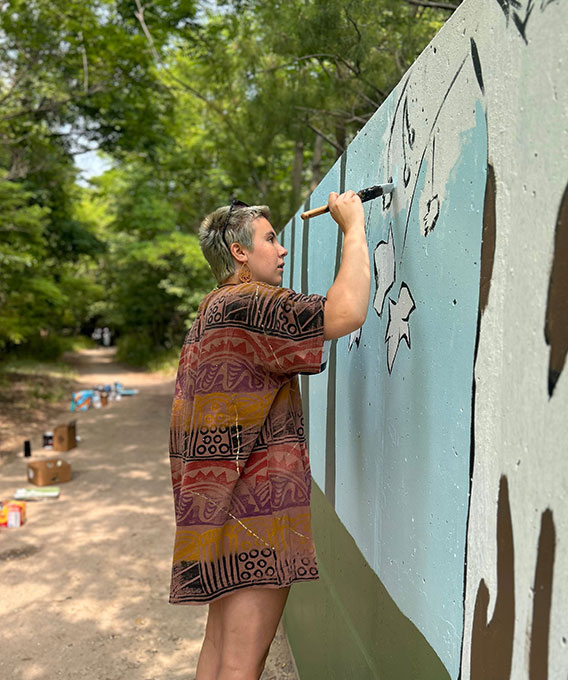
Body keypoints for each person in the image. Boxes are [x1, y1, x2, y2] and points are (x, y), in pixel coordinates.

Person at [168, 190, 370, 680]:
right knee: (242, 664)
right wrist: (354, 228)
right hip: (255, 509)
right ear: (239, 252)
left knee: (218, 651)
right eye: (270, 239)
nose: (281, 251)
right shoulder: (251, 303)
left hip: (216, 504)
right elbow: (345, 313)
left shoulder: (212, 308)